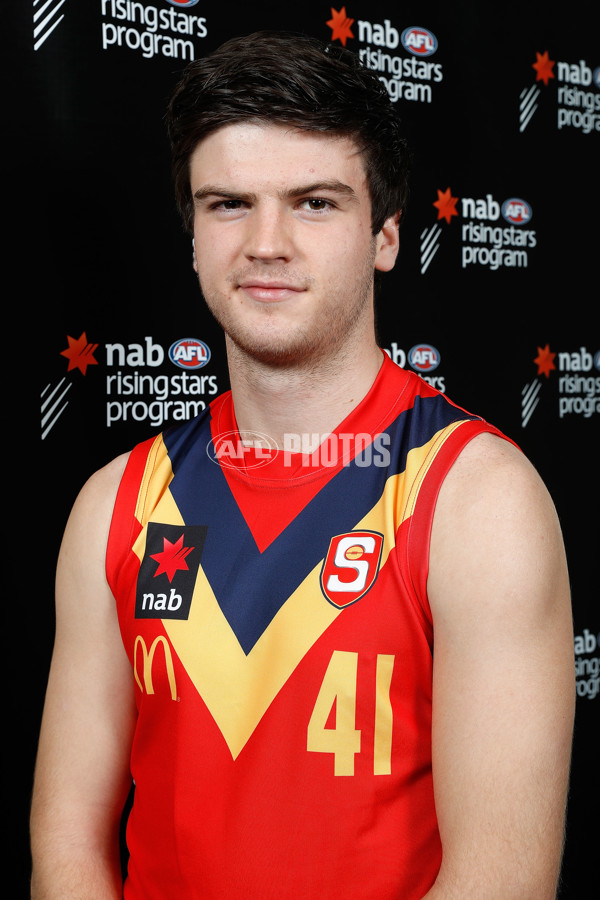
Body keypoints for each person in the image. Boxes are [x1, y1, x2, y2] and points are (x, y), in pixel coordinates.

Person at [30, 30, 575, 899]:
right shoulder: (116, 503)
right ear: (194, 236)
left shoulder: (474, 498)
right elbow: (66, 843)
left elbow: (499, 883)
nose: (266, 243)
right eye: (228, 204)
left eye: (315, 203)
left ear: (386, 237)